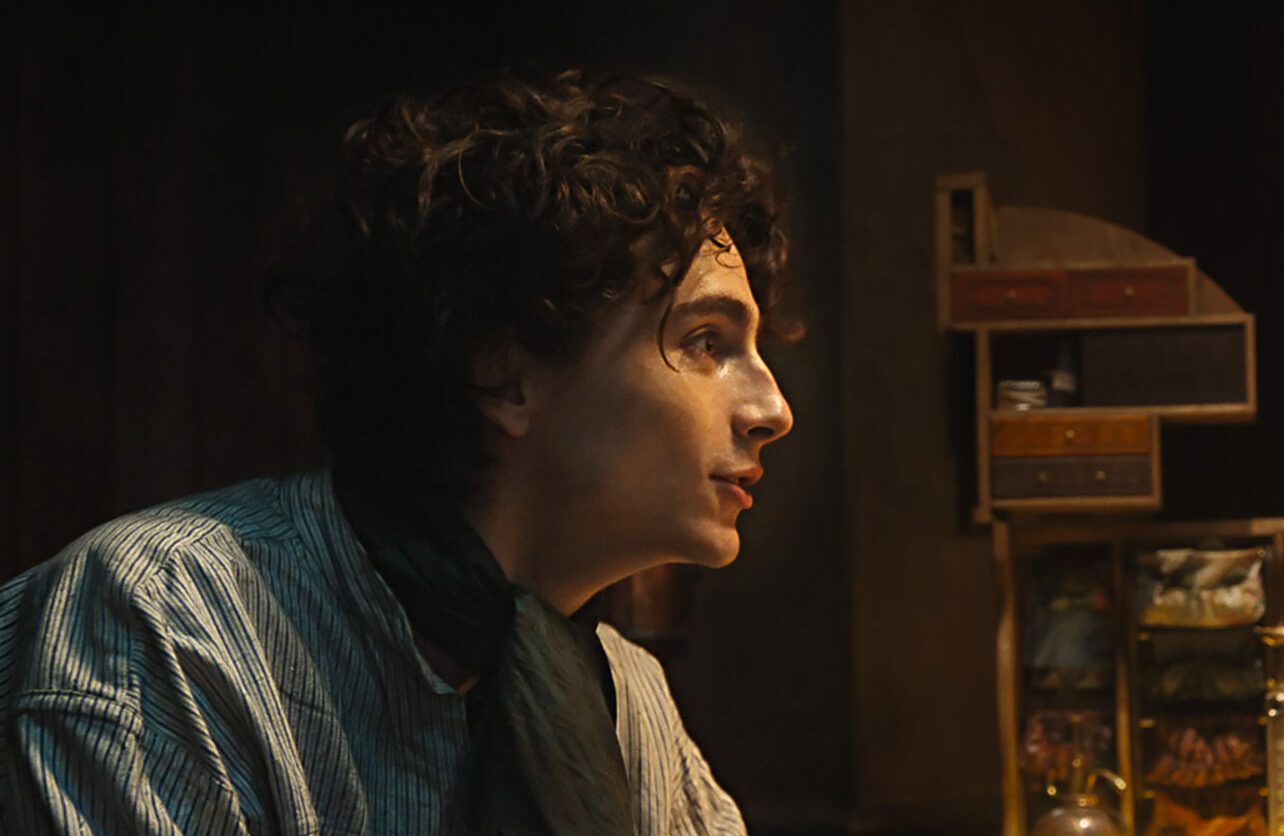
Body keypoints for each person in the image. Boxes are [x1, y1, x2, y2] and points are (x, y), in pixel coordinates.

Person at [0, 68, 793, 834]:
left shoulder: (629, 703)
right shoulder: (164, 622)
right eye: (705, 341)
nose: (772, 411)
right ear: (504, 374)